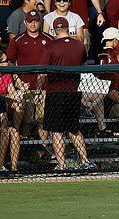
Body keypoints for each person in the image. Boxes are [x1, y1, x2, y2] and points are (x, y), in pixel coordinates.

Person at [37, 16, 94, 170]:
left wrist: (38, 90)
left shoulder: (51, 46)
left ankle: (62, 165)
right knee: (73, 129)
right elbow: (84, 64)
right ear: (69, 28)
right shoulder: (80, 45)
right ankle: (85, 161)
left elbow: (41, 73)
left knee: (57, 130)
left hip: (56, 92)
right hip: (74, 92)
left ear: (53, 30)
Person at [6, 10, 53, 142]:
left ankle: (44, 149)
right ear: (25, 23)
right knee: (25, 121)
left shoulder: (49, 39)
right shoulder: (17, 40)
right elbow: (10, 62)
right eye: (30, 21)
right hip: (24, 87)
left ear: (40, 22)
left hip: (44, 87)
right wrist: (16, 80)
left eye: (36, 21)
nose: (33, 24)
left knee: (42, 120)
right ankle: (24, 149)